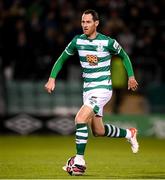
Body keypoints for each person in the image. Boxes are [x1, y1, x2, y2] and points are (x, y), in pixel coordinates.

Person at [45, 9, 139, 173]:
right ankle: (129, 134)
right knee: (98, 131)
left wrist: (131, 77)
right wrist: (52, 78)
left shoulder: (108, 42)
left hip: (103, 89)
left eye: (88, 22)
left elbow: (124, 55)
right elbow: (62, 58)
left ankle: (79, 161)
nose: (85, 25)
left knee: (80, 119)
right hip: (88, 90)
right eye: (83, 22)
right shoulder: (77, 41)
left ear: (96, 23)